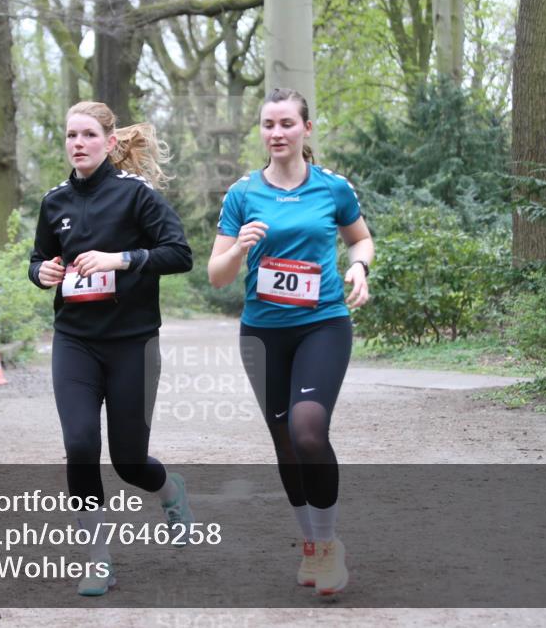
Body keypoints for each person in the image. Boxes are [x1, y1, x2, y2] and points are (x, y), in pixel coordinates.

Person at [207, 88, 374, 596]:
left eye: (285, 124)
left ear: (306, 129)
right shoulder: (243, 194)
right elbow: (217, 275)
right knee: (283, 441)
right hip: (262, 333)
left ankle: (328, 547)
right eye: (267, 125)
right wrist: (239, 247)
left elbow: (360, 237)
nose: (276, 133)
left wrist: (359, 266)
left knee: (307, 430)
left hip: (322, 323)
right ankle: (310, 543)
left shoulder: (332, 187)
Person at [29, 101, 194, 596]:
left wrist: (122, 259)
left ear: (108, 141)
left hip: (132, 343)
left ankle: (170, 491)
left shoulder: (136, 196)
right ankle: (98, 560)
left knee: (128, 461)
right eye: (70, 135)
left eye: (87, 135)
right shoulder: (54, 201)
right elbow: (38, 258)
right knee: (80, 447)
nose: (77, 143)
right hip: (75, 341)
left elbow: (179, 254)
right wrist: (42, 272)